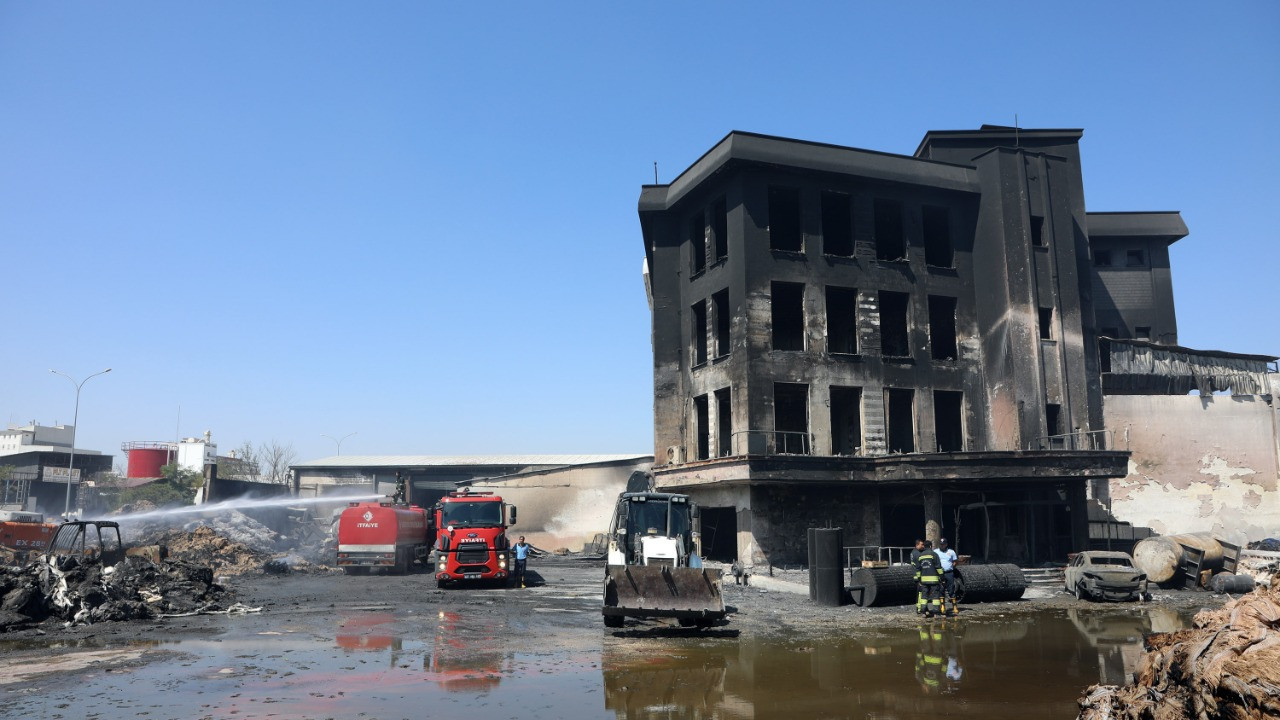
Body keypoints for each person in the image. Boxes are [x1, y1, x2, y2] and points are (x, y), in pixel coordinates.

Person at [912, 541, 944, 618]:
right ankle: (936, 613)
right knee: (935, 596)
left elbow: (918, 569)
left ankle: (923, 612)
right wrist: (942, 577)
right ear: (930, 546)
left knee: (924, 596)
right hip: (934, 580)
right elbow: (938, 567)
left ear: (924, 546)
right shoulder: (934, 554)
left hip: (923, 581)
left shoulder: (920, 556)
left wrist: (919, 579)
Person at [936, 538, 959, 617]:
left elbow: (955, 561)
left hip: (949, 573)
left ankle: (954, 606)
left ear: (946, 544)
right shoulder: (936, 552)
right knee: (941, 589)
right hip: (940, 573)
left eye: (943, 544)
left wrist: (951, 567)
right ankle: (943, 607)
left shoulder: (951, 552)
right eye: (941, 544)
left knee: (951, 589)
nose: (942, 545)